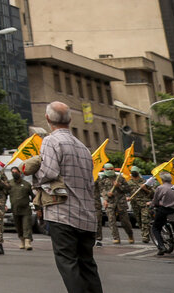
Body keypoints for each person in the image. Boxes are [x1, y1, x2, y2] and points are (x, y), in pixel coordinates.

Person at [25, 101, 103, 293]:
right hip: (86, 216)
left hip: (63, 213)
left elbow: (49, 172)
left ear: (48, 118)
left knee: (68, 263)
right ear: (70, 119)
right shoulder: (83, 148)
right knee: (87, 265)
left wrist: (33, 173)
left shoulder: (51, 141)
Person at [97, 163, 134, 244]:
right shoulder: (102, 179)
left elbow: (128, 189)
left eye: (111, 169)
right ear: (104, 170)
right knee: (111, 221)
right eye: (108, 169)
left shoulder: (119, 178)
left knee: (125, 221)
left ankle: (130, 235)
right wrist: (107, 195)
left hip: (121, 202)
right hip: (110, 203)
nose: (110, 170)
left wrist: (119, 185)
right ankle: (116, 237)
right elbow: (101, 190)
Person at [150, 171, 174, 255]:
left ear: (162, 179)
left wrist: (151, 204)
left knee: (155, 227)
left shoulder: (161, 188)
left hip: (165, 210)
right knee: (172, 223)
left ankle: (161, 247)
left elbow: (155, 201)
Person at [7, 167, 36, 250]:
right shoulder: (9, 184)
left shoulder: (26, 184)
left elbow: (33, 196)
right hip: (15, 209)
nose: (14, 174)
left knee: (26, 225)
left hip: (26, 209)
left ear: (20, 173)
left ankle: (28, 242)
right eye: (12, 172)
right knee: (18, 226)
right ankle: (22, 240)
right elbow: (5, 193)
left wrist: (37, 208)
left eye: (16, 172)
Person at [132, 168, 155, 244]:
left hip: (144, 204)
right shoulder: (129, 182)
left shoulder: (145, 182)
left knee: (145, 219)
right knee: (139, 220)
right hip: (135, 204)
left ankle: (145, 236)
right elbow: (125, 192)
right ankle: (144, 233)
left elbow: (153, 193)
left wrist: (145, 189)